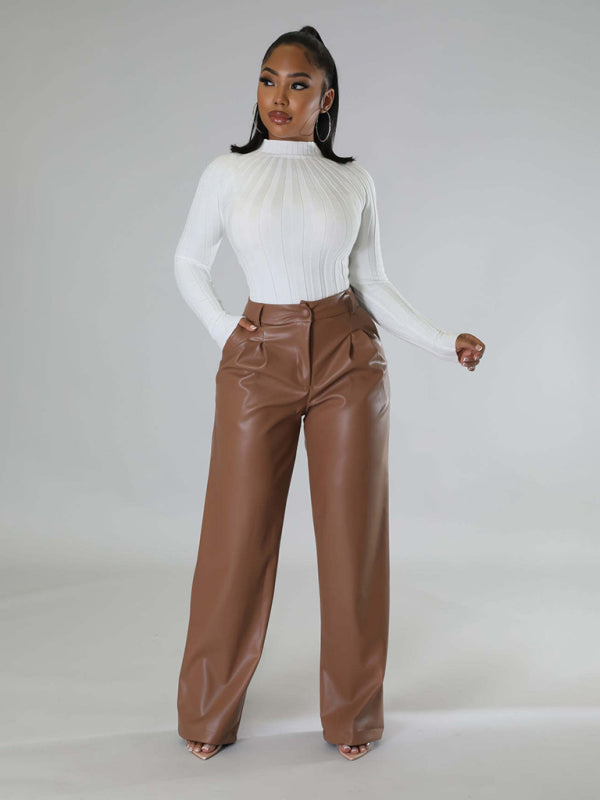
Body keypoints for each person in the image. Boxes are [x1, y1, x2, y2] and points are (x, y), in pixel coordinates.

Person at [173, 26, 485, 763]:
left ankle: (354, 718)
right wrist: (228, 334)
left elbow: (371, 281)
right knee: (235, 540)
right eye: (268, 80)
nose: (279, 97)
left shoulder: (353, 181)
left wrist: (444, 340)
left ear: (327, 97)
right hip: (258, 357)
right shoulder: (227, 173)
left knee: (353, 542)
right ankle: (207, 715)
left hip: (348, 357)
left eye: (298, 84)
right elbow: (188, 261)